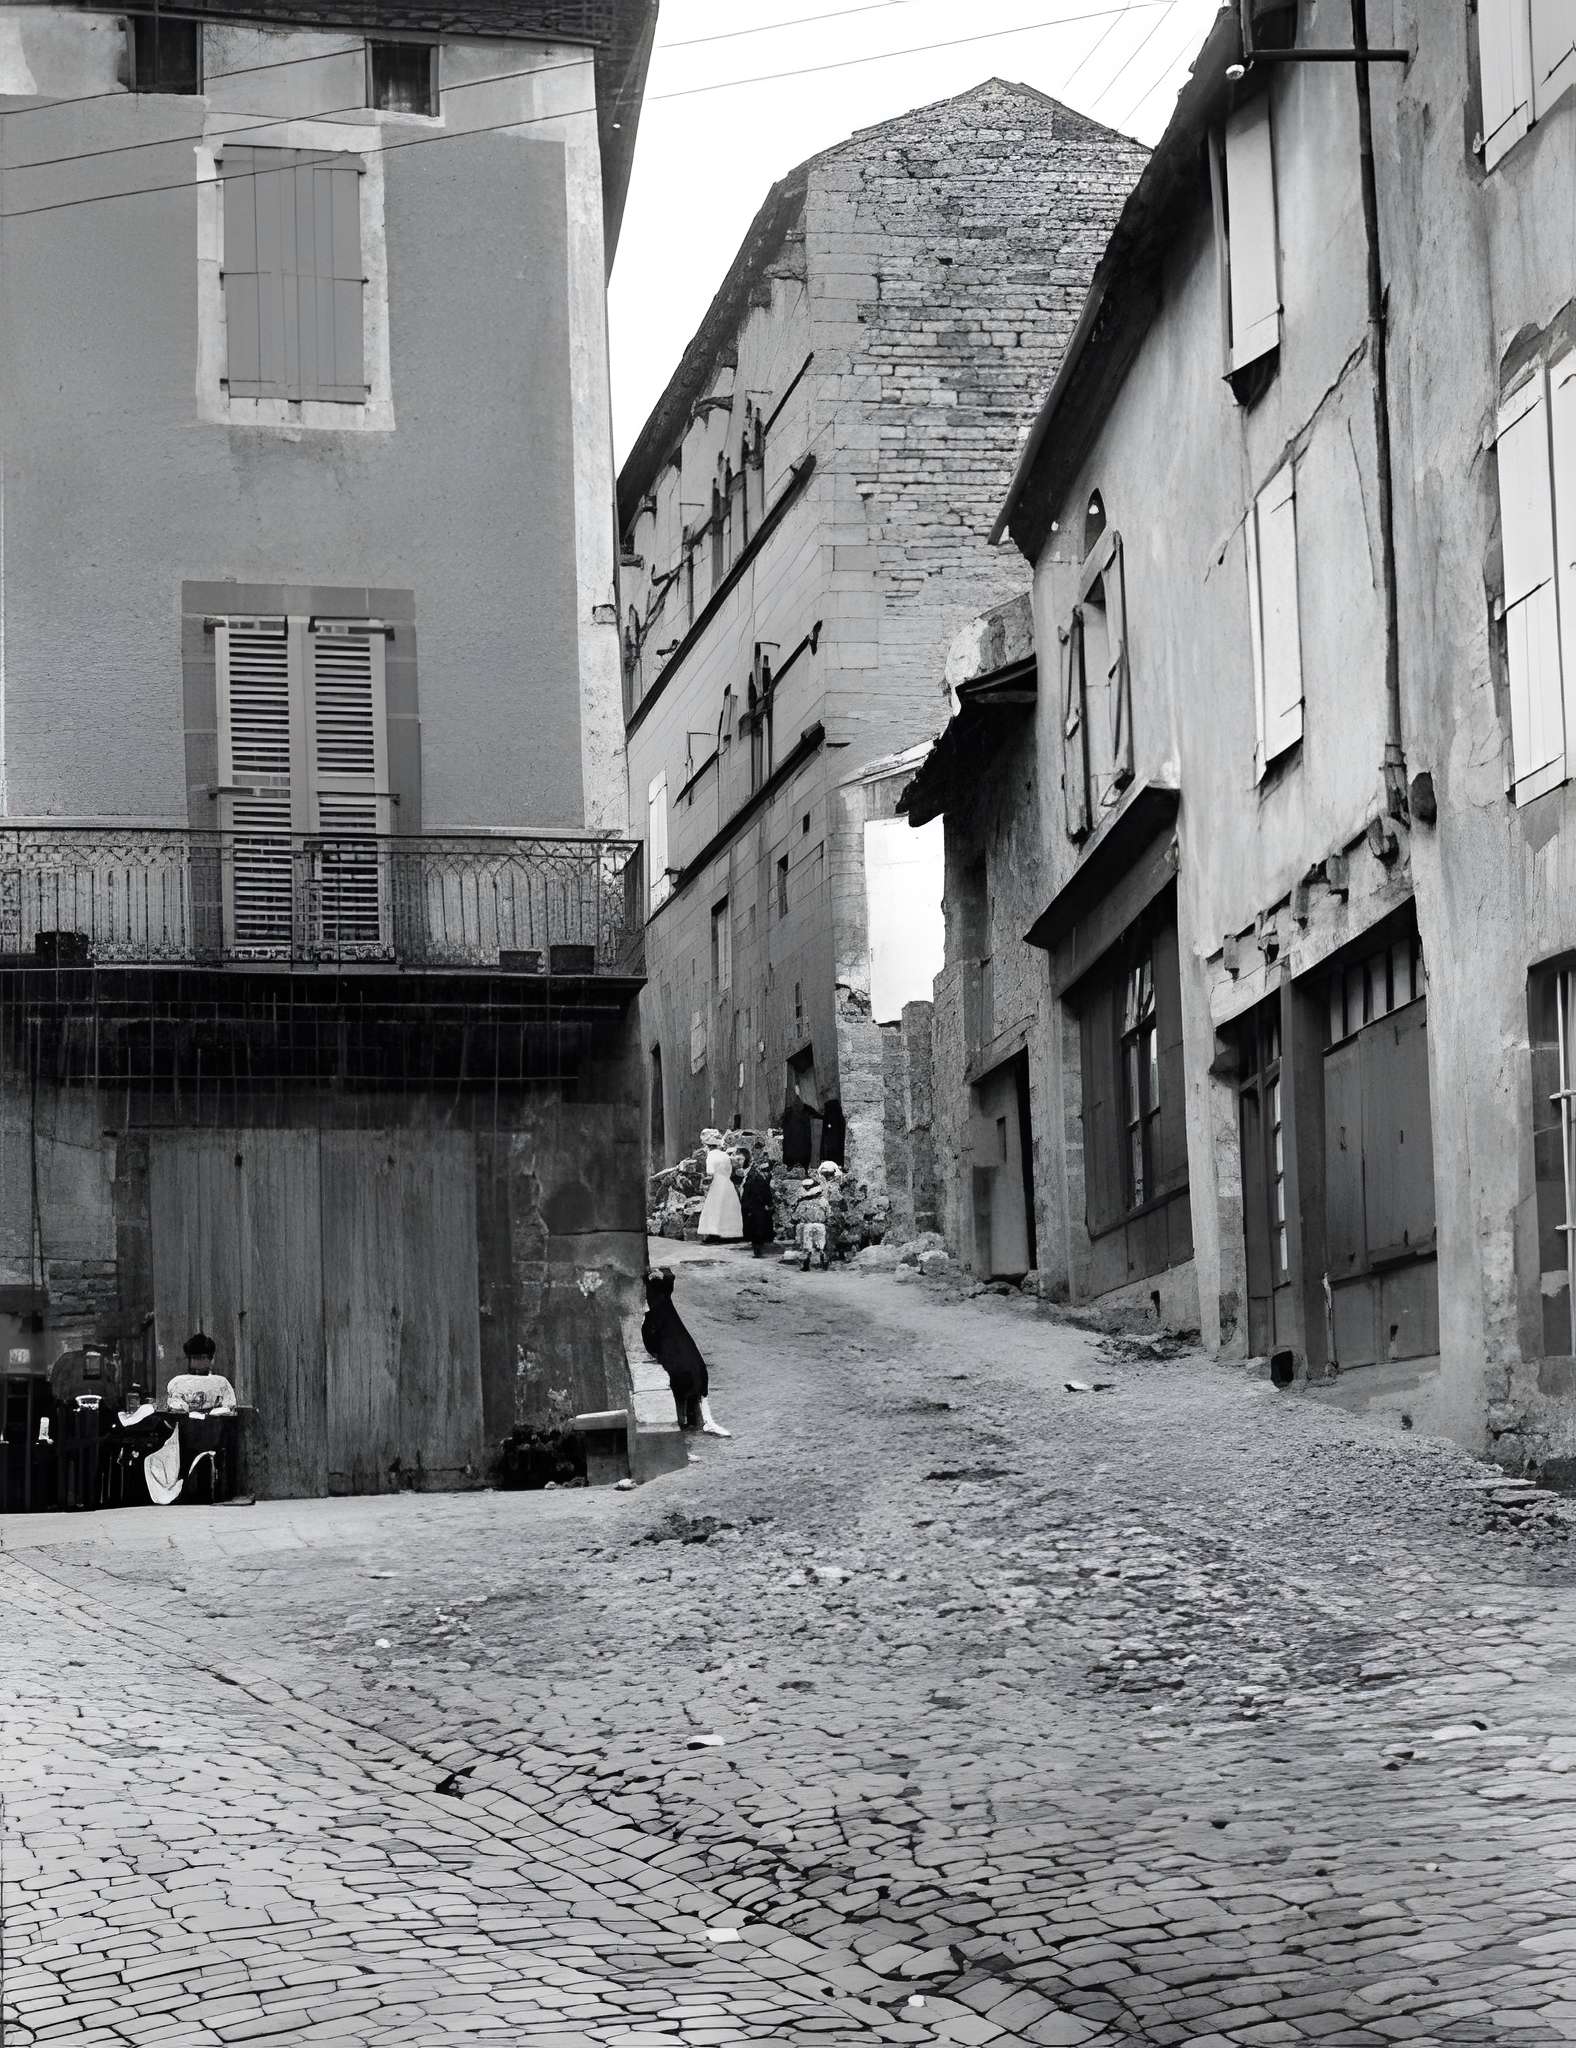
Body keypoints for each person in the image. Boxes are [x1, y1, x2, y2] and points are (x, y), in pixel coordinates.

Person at [641, 1270, 731, 1437]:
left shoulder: (663, 1299)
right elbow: (649, 1343)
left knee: (699, 1368)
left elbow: (670, 1278)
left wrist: (661, 1274)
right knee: (679, 1376)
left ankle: (707, 1420)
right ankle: (682, 1425)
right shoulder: (647, 1319)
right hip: (667, 1350)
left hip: (679, 1339)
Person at [696, 1128, 744, 1243]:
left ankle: (714, 1234)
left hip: (717, 1184)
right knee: (727, 1209)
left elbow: (710, 1173)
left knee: (714, 1209)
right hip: (727, 1184)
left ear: (707, 1146)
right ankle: (730, 1234)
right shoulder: (725, 1156)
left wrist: (703, 1185)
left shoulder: (711, 1156)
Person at [740, 1148, 776, 1257]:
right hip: (755, 1206)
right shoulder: (755, 1176)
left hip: (755, 1206)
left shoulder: (755, 1177)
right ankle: (758, 1247)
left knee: (756, 1227)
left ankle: (758, 1249)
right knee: (757, 1227)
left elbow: (763, 1192)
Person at [793, 1175, 831, 1271]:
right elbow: (829, 1214)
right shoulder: (824, 1201)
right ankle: (824, 1263)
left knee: (807, 1246)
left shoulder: (803, 1203)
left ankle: (806, 1265)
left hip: (807, 1225)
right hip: (821, 1225)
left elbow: (796, 1216)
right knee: (821, 1246)